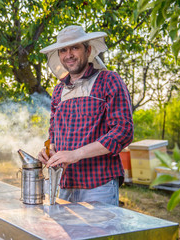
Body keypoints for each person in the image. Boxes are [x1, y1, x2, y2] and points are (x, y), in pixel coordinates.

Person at [37, 25, 134, 206]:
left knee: (98, 235)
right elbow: (54, 135)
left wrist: (76, 154)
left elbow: (123, 131)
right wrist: (49, 150)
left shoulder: (109, 80)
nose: (69, 54)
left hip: (98, 186)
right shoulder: (58, 91)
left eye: (75, 47)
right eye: (63, 50)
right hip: (63, 184)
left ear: (88, 50)